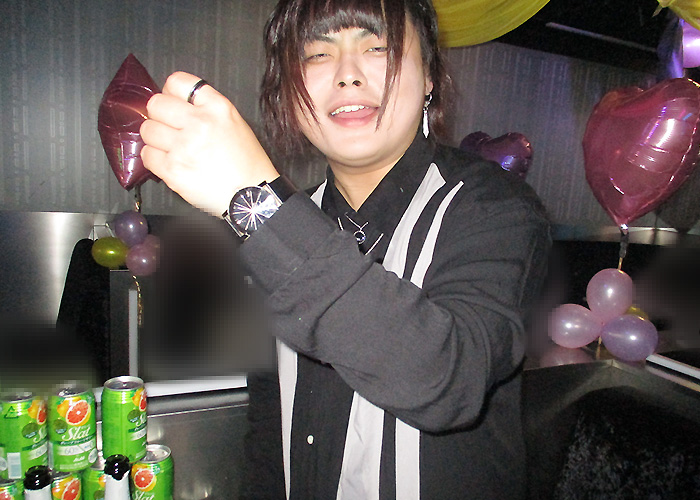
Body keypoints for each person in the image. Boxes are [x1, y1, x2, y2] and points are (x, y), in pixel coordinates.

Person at [140, 0, 551, 498]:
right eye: (318, 54)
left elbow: (447, 379)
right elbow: (271, 416)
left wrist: (259, 204)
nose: (348, 74)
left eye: (377, 47)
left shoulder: (493, 207)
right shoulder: (289, 225)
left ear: (429, 77)